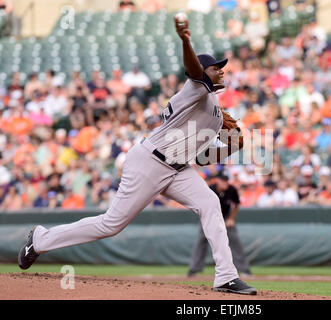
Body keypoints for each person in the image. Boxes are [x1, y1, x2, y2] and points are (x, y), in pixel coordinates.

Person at [18, 16, 256, 296]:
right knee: (111, 224)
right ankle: (41, 239)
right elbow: (193, 69)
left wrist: (231, 147)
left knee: (211, 203)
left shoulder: (214, 113)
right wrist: (185, 41)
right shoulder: (195, 89)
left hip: (178, 170)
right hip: (149, 161)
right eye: (217, 67)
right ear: (204, 71)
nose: (222, 70)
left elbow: (202, 158)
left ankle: (226, 276)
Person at [188, 173, 252, 277]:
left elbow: (236, 205)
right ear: (217, 180)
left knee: (234, 240)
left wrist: (231, 218)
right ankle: (194, 269)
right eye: (223, 180)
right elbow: (201, 204)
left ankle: (244, 269)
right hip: (209, 216)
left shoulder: (231, 190)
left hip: (225, 217)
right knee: (201, 240)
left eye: (226, 180)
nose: (225, 183)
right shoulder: (210, 189)